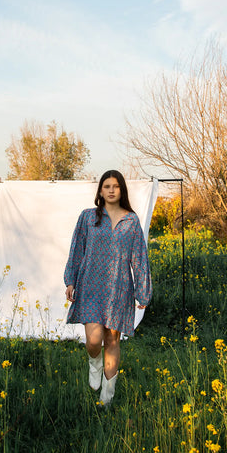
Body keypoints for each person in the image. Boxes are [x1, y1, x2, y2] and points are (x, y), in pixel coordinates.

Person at [64, 170, 152, 406]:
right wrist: (70, 280)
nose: (111, 190)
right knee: (93, 340)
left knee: (112, 340)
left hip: (119, 290)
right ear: (100, 191)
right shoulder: (88, 217)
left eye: (116, 186)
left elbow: (139, 258)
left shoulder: (131, 221)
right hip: (90, 286)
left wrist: (143, 291)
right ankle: (95, 364)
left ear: (122, 190)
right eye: (107, 186)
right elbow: (77, 250)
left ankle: (107, 397)